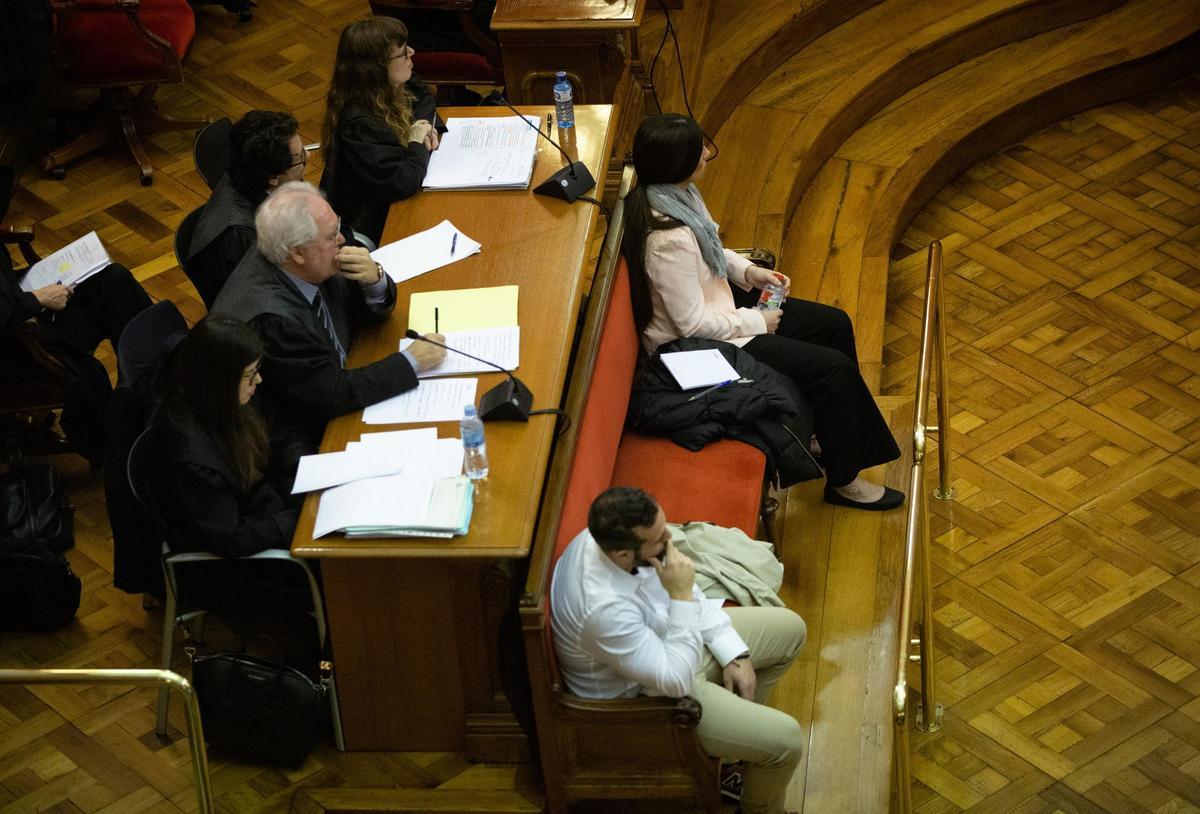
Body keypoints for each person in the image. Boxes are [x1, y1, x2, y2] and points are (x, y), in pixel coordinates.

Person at [624, 113, 904, 511]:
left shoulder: (676, 196)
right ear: (676, 162)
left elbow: (710, 250)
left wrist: (749, 272)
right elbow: (690, 326)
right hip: (692, 354)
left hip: (717, 315)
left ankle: (831, 435)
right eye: (698, 149)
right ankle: (844, 480)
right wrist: (759, 321)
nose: (707, 152)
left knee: (832, 324)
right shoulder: (665, 240)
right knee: (832, 368)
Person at [551, 487, 806, 814]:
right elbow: (676, 680)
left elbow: (680, 585)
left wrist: (733, 652)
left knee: (791, 630)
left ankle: (736, 765)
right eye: (659, 538)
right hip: (643, 699)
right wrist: (682, 596)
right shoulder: (601, 609)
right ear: (624, 555)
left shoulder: (619, 542)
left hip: (668, 643)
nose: (670, 537)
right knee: (786, 743)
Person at [212, 181, 445, 460]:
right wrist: (411, 361)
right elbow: (329, 394)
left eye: (338, 228)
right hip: (297, 436)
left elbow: (357, 312)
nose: (342, 240)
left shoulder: (310, 257)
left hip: (350, 366)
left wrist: (375, 280)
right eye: (330, 235)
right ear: (296, 252)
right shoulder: (274, 321)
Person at [145, 314, 310, 613]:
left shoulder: (223, 401)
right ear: (219, 379)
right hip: (237, 567)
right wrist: (298, 520)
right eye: (249, 374)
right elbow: (230, 539)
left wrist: (301, 463)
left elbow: (279, 429)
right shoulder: (193, 457)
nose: (258, 380)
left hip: (267, 509)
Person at [0, 246, 150, 466]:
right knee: (85, 374)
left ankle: (158, 392)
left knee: (112, 281)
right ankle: (118, 454)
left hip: (14, 297)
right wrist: (39, 298)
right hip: (13, 338)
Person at [319, 16, 440, 246]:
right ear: (377, 67)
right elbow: (400, 183)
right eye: (403, 52)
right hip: (380, 224)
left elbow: (424, 97)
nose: (412, 53)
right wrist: (416, 142)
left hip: (403, 198)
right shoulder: (360, 124)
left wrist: (424, 127)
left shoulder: (395, 83)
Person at [187, 110, 307, 306]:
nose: (307, 155)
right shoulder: (241, 237)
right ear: (272, 177)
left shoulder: (252, 169)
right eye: (299, 156)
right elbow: (265, 298)